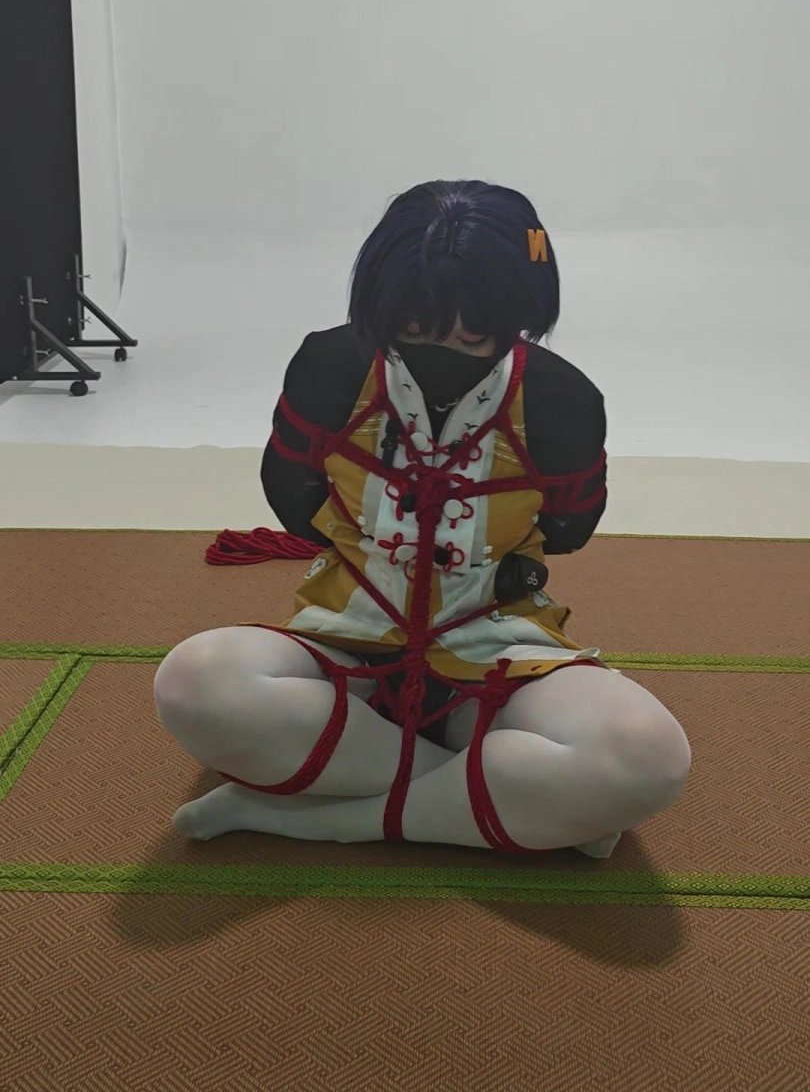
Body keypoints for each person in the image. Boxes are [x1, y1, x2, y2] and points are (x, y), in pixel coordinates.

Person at [155, 180, 691, 856]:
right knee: (194, 681)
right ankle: (498, 799)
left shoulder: (562, 400)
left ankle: (332, 817)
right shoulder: (329, 366)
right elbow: (290, 495)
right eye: (413, 329)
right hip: (342, 645)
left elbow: (570, 530)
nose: (443, 349)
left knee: (648, 756)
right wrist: (561, 790)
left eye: (474, 334)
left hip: (497, 649)